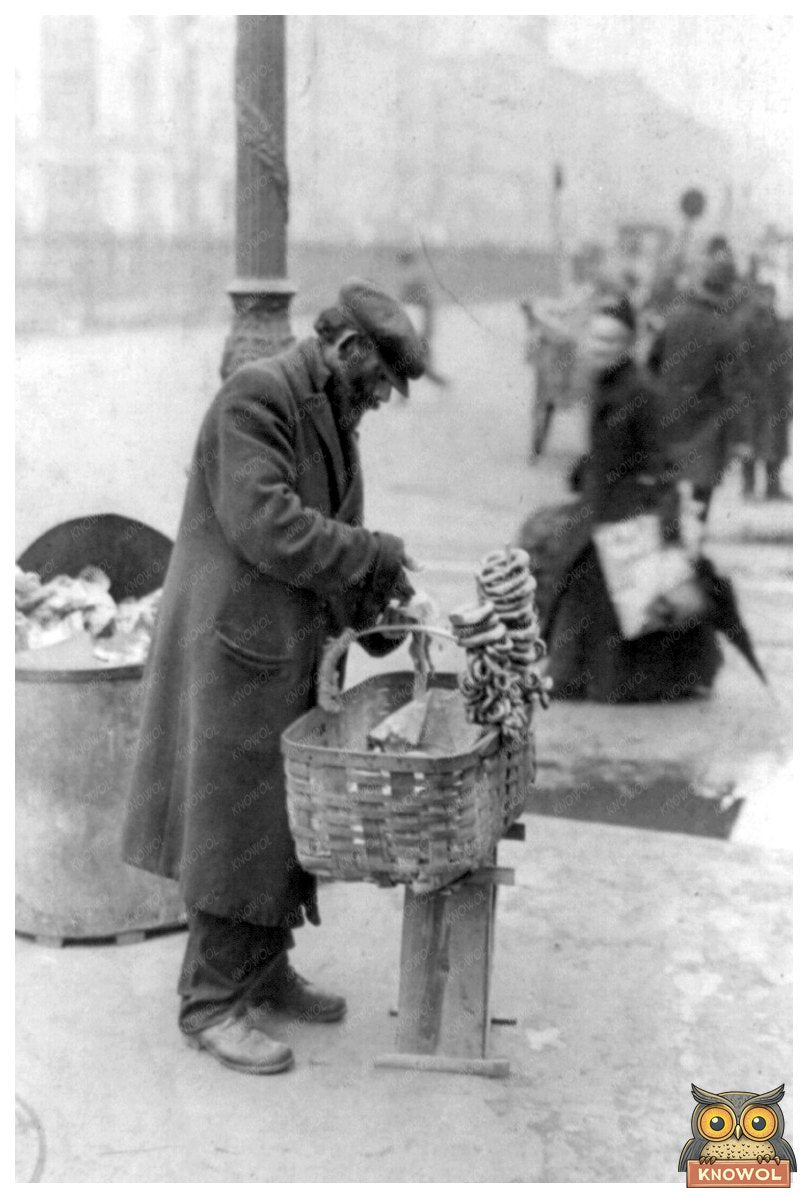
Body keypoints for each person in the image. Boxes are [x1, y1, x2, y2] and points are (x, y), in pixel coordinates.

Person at [122, 280, 425, 1075]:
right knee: (234, 828)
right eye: (382, 381)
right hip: (235, 650)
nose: (384, 400)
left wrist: (383, 593)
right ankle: (210, 1005)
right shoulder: (254, 398)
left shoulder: (327, 405)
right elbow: (271, 526)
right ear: (348, 350)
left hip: (282, 642)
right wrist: (377, 557)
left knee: (279, 825)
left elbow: (337, 527)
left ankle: (263, 971)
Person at [520, 296, 723, 703]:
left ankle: (603, 680)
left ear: (629, 344)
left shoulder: (642, 392)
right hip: (601, 506)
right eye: (595, 340)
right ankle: (583, 676)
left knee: (618, 595)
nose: (601, 349)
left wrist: (657, 516)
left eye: (612, 342)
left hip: (628, 512)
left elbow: (660, 459)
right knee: (588, 592)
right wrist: (588, 466)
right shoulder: (605, 384)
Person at [647, 248, 751, 519]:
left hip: (666, 419)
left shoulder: (673, 318)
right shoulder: (727, 331)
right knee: (700, 495)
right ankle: (693, 543)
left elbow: (651, 365)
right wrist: (739, 435)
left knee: (665, 487)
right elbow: (734, 387)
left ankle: (666, 541)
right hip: (706, 426)